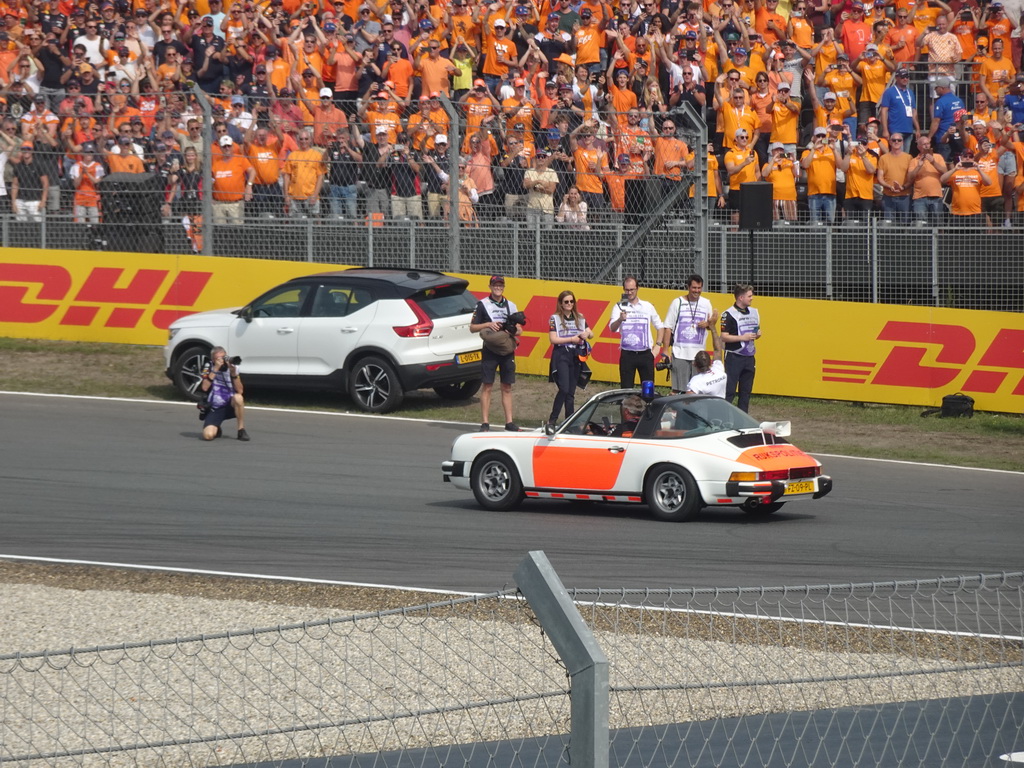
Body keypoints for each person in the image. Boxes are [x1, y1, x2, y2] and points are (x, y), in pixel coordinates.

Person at [470, 275, 521, 432]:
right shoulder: (482, 305)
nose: (498, 287)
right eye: (495, 285)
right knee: (487, 385)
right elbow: (472, 327)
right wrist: (488, 324)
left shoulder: (511, 306)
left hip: (506, 350)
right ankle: (485, 423)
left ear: (504, 287)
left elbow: (520, 330)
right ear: (490, 286)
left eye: (500, 285)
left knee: (507, 386)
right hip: (490, 350)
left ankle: (509, 423)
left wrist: (512, 329)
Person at [660, 274, 717, 394]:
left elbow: (711, 325)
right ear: (688, 287)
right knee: (678, 390)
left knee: (696, 390)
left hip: (698, 355)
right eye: (694, 288)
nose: (697, 291)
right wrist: (665, 350)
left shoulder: (706, 303)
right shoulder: (677, 302)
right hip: (680, 353)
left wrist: (707, 324)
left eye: (699, 288)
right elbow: (668, 327)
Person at [610, 275, 665, 390]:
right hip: (627, 354)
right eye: (627, 290)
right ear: (624, 289)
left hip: (645, 354)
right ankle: (626, 408)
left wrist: (658, 346)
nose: (629, 292)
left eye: (632, 290)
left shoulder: (647, 306)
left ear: (637, 288)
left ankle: (648, 407)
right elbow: (612, 328)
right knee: (626, 389)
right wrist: (620, 319)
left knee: (648, 390)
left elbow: (660, 326)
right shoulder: (619, 306)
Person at [547, 290, 594, 426]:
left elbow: (591, 333)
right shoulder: (554, 318)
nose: (569, 304)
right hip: (561, 354)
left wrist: (586, 334)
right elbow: (553, 339)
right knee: (564, 388)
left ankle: (569, 422)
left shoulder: (579, 317)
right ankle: (552, 419)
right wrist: (572, 339)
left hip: (576, 355)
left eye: (571, 301)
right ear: (561, 303)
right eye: (566, 302)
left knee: (571, 392)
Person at [720, 283, 761, 413]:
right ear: (741, 298)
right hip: (734, 356)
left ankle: (743, 418)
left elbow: (754, 332)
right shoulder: (728, 314)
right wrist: (742, 338)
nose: (752, 298)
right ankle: (724, 417)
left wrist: (758, 334)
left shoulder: (754, 312)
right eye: (749, 296)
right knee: (729, 391)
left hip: (749, 357)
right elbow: (724, 337)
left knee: (746, 391)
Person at [199, 346, 250, 441]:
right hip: (215, 406)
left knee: (238, 398)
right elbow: (204, 387)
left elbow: (240, 391)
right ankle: (216, 427)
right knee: (208, 435)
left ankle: (241, 430)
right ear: (213, 359)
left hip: (230, 403)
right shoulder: (209, 366)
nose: (222, 360)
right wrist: (215, 369)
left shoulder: (233, 367)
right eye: (219, 358)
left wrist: (233, 373)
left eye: (224, 357)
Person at [686, 325, 727, 398]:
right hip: (721, 406)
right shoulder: (718, 369)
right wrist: (713, 328)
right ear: (710, 362)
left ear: (694, 364)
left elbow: (687, 401)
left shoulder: (696, 381)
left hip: (705, 409)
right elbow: (717, 349)